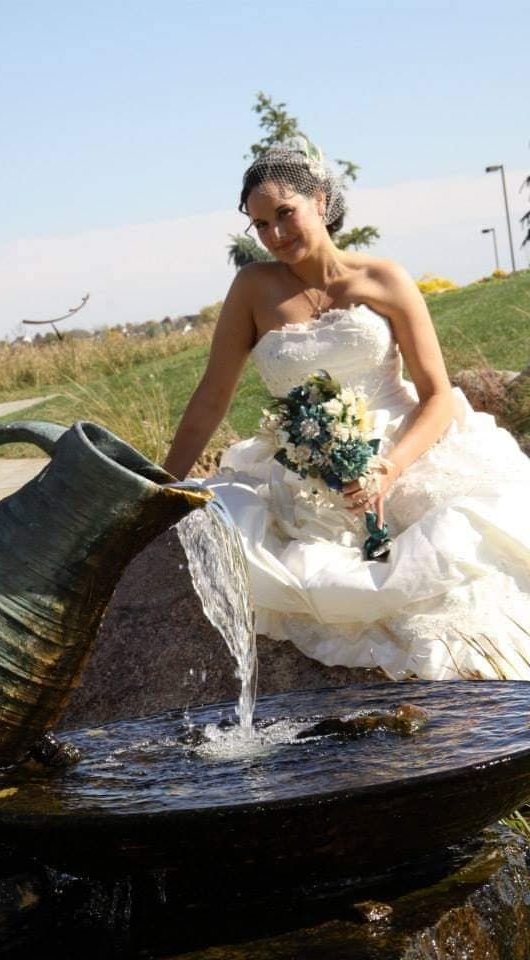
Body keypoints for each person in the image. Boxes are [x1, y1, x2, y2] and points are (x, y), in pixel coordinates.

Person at [163, 135, 530, 680]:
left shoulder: (385, 279)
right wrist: (158, 486)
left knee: (454, 564)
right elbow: (211, 397)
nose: (276, 235)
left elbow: (436, 395)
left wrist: (390, 468)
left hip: (406, 449)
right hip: (302, 469)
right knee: (308, 566)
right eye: (261, 225)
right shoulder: (252, 289)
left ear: (322, 202)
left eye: (285, 214)